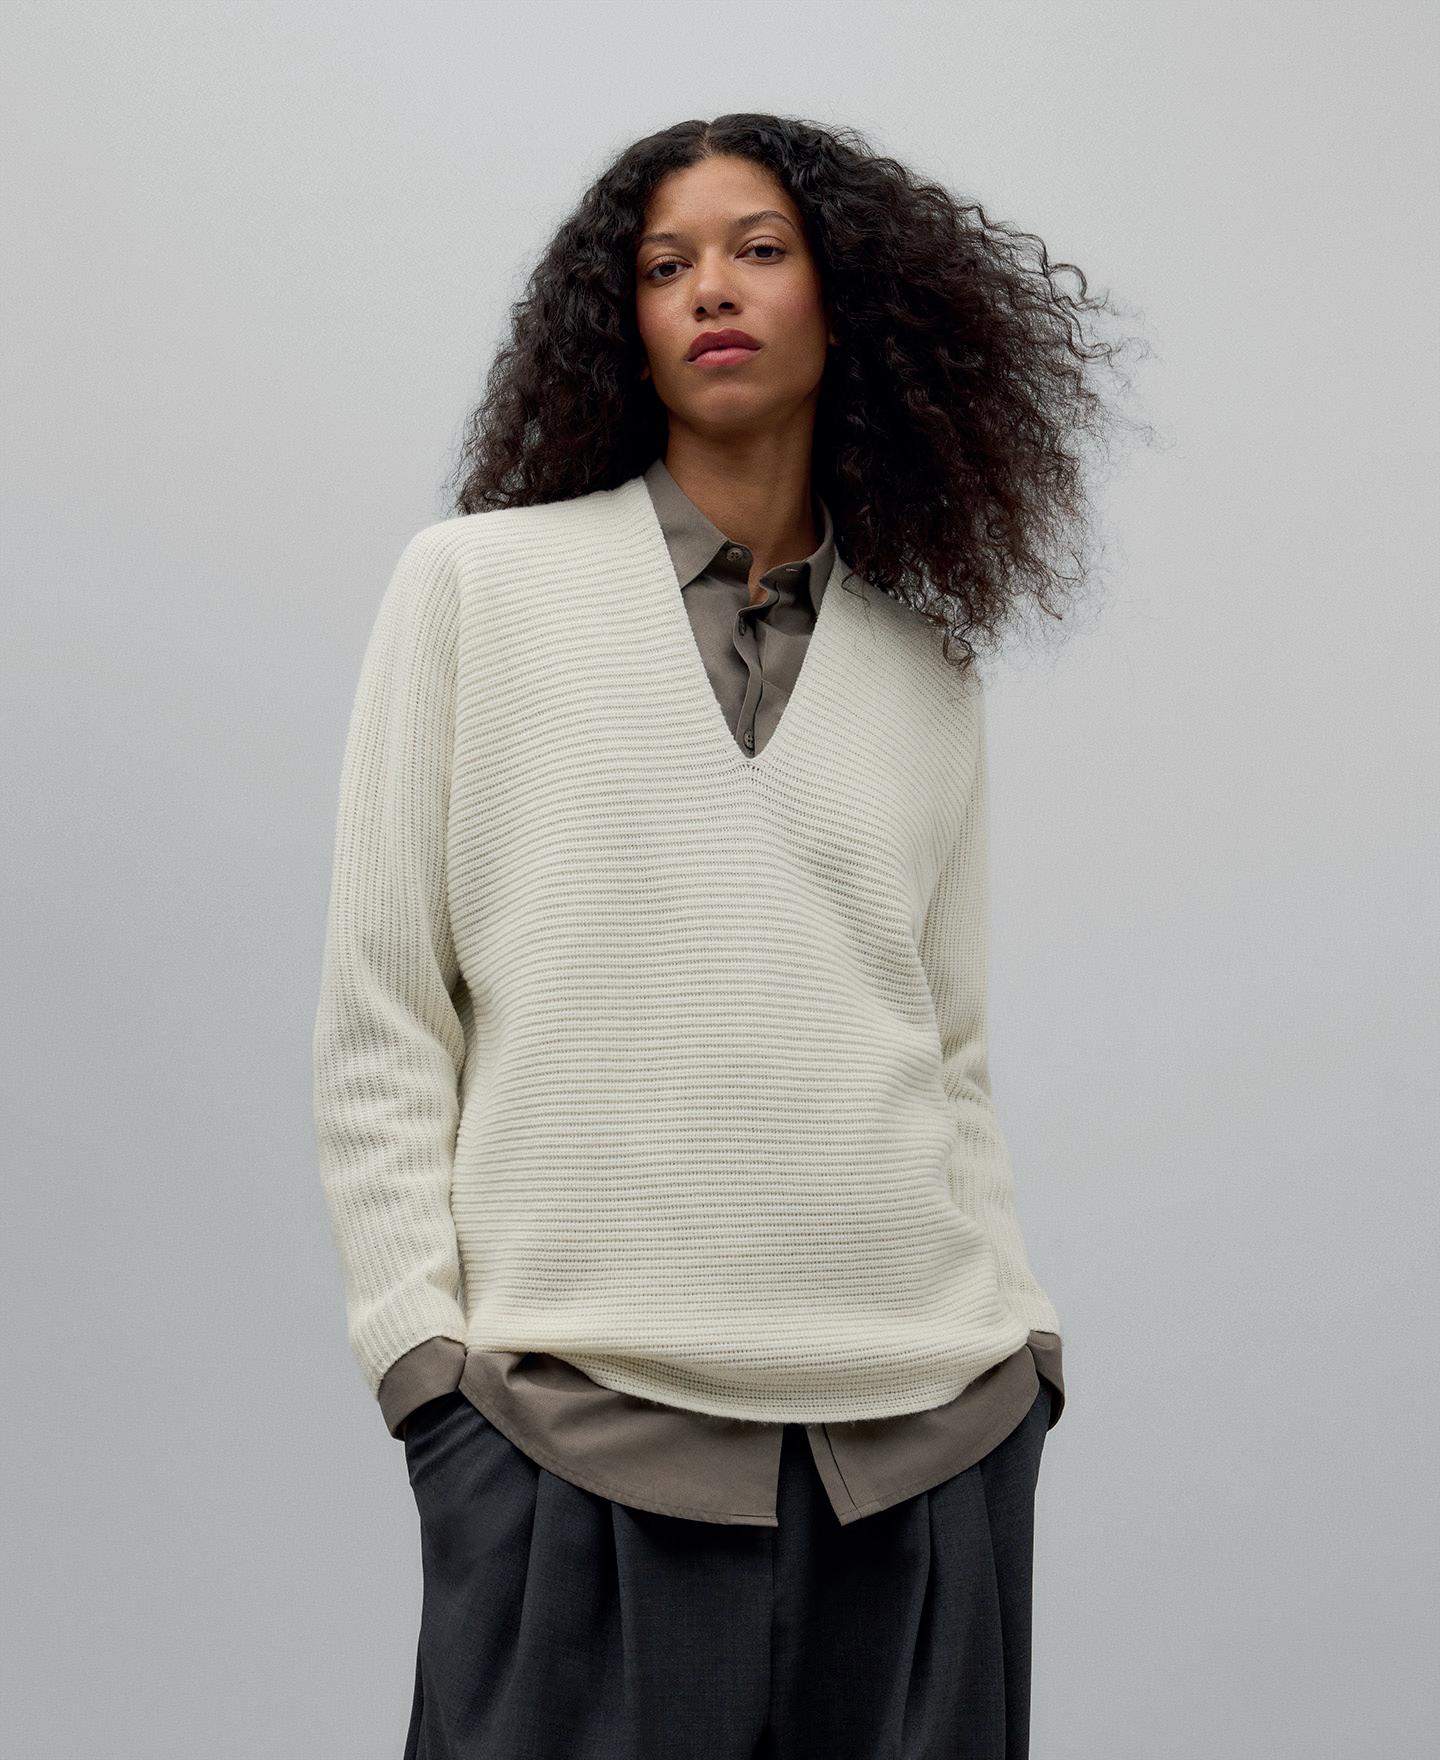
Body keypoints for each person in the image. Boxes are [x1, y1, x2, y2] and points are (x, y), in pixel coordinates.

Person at [313, 111, 1149, 1760]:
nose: (712, 288)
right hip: (566, 1440)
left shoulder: (926, 669)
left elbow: (949, 1052)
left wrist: (1024, 1360)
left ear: (849, 302)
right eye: (664, 264)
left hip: (928, 1444)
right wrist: (428, 1376)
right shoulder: (475, 589)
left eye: (761, 250)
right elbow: (383, 1019)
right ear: (618, 322)